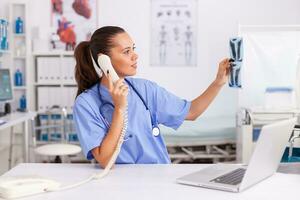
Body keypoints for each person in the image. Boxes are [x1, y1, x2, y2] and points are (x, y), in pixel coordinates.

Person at [73, 26, 230, 168]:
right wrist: (119, 109)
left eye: (133, 49)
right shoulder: (86, 104)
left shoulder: (145, 89)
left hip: (159, 175)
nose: (135, 56)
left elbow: (192, 112)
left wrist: (218, 82)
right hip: (120, 182)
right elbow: (105, 160)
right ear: (103, 60)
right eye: (126, 52)